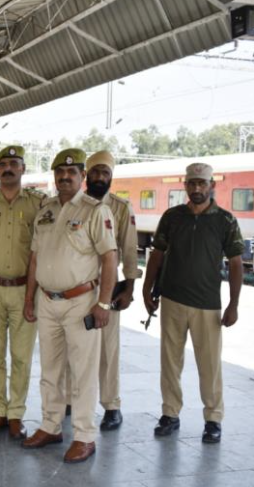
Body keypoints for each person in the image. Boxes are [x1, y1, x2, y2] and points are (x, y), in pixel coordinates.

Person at [22, 148, 117, 464]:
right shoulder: (45, 210)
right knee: (50, 369)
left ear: (82, 177)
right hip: (47, 300)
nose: (65, 177)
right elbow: (35, 256)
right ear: (55, 176)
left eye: (72, 173)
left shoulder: (95, 210)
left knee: (82, 372)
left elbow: (109, 258)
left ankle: (84, 436)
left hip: (81, 302)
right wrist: (29, 298)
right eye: (60, 173)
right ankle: (50, 426)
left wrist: (103, 303)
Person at [143, 162, 244, 444]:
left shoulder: (225, 220)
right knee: (170, 361)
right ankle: (170, 414)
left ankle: (213, 419)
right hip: (173, 299)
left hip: (207, 304)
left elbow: (236, 264)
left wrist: (233, 304)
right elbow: (157, 254)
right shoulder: (172, 216)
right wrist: (146, 288)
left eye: (202, 183)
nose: (197, 188)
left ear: (211, 185)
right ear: (185, 185)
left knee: (209, 365)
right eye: (192, 183)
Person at [0, 146, 44, 440]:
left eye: (14, 164)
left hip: (25, 288)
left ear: (23, 169)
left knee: (21, 356)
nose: (8, 169)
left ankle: (16, 413)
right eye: (3, 165)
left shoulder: (39, 203)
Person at [81, 151, 140, 431]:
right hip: (76, 288)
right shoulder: (74, 204)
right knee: (76, 346)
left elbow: (130, 251)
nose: (101, 178)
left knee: (108, 349)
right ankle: (73, 399)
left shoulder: (121, 207)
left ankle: (111, 405)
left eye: (106, 173)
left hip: (107, 290)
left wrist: (129, 288)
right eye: (96, 173)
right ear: (87, 175)